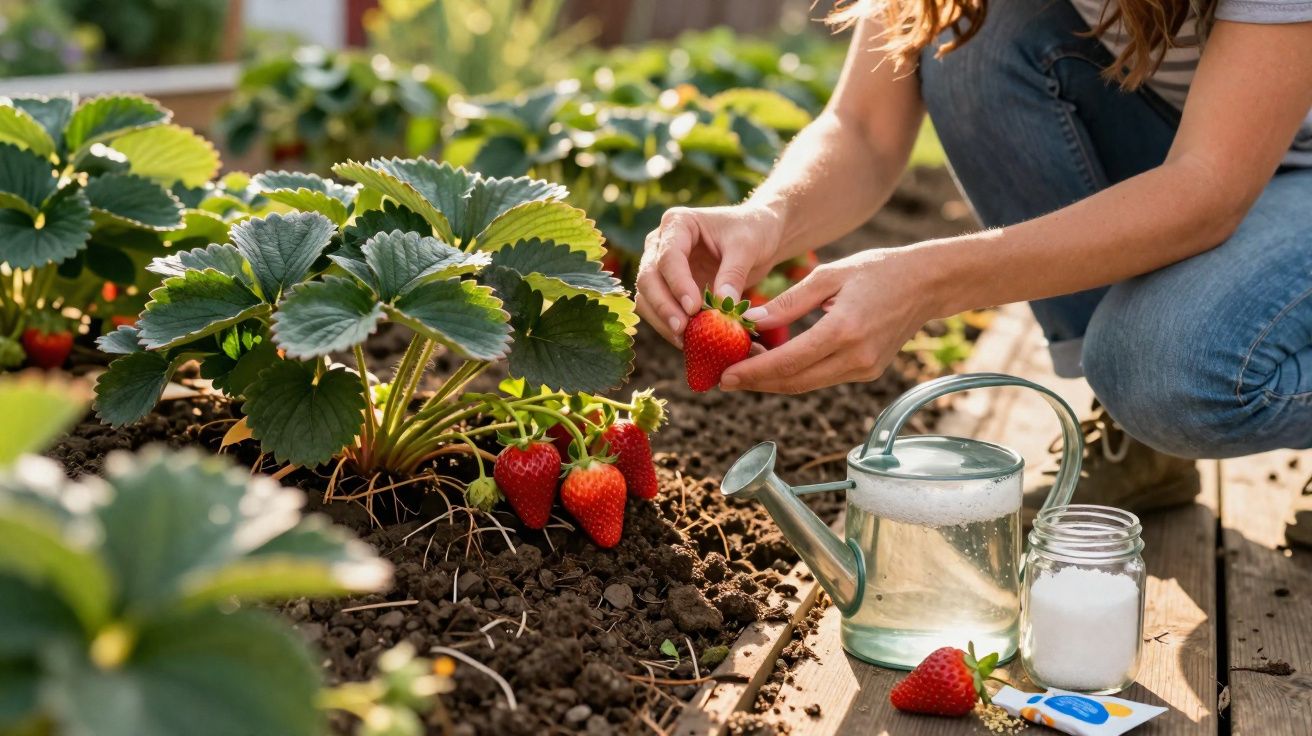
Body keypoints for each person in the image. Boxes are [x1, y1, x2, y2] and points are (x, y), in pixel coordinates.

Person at [635, 0, 1312, 534]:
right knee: (963, 36)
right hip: (1204, 136)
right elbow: (865, 127)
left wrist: (928, 281)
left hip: (1265, 169)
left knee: (1167, 365)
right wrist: (768, 218)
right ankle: (1141, 450)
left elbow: (1209, 190)